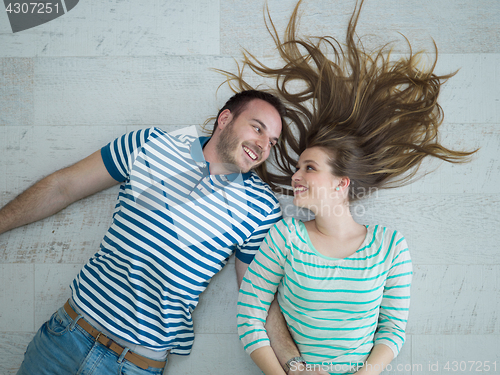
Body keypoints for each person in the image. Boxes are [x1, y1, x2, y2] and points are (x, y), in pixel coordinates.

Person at [0, 89, 316, 374]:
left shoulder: (260, 209)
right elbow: (62, 187)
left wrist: (296, 366)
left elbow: (256, 299)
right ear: (225, 119)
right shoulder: (150, 145)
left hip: (134, 366)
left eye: (271, 142)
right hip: (63, 339)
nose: (262, 146)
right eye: (257, 128)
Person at [235, 1, 476, 374]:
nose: (296, 176)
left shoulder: (390, 247)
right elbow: (250, 318)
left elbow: (392, 331)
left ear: (341, 183)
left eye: (309, 168)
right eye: (298, 166)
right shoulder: (284, 238)